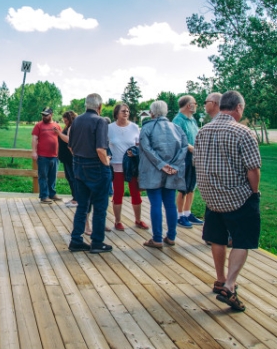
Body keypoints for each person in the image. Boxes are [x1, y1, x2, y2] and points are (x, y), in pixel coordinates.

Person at [194, 91, 261, 312]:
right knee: (242, 241)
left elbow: (197, 162)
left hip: (211, 197)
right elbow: (253, 168)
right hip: (238, 197)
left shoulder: (203, 131)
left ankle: (220, 279)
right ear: (238, 108)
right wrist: (254, 192)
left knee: (217, 239)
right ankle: (230, 286)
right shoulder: (243, 132)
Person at [138, 100, 188, 249]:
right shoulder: (177, 128)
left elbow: (146, 149)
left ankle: (157, 238)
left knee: (156, 204)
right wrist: (173, 166)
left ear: (152, 112)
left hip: (153, 171)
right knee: (170, 204)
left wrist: (162, 165)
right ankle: (171, 236)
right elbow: (184, 148)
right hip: (173, 172)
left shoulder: (147, 128)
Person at [67, 93, 113, 254]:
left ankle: (76, 240)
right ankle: (97, 242)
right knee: (100, 206)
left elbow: (70, 146)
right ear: (99, 107)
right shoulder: (100, 121)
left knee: (82, 205)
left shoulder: (77, 120)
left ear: (86, 105)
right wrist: (106, 163)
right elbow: (100, 149)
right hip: (96, 167)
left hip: (78, 166)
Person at [108, 103, 147, 231]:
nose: (126, 113)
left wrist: (134, 152)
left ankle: (138, 219)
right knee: (118, 193)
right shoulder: (110, 128)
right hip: (117, 165)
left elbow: (140, 146)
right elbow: (104, 145)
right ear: (117, 113)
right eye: (123, 111)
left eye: (128, 111)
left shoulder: (135, 127)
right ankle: (117, 221)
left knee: (135, 192)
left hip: (131, 165)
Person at [173, 95, 203, 227]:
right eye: (194, 103)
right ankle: (179, 216)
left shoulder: (192, 120)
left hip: (195, 155)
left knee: (192, 186)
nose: (196, 105)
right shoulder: (178, 120)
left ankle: (187, 212)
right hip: (184, 156)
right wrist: (191, 148)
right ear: (188, 105)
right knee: (183, 187)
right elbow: (177, 140)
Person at [32, 108, 63, 204]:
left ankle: (52, 194)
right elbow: (34, 139)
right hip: (42, 156)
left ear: (51, 114)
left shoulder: (57, 126)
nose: (44, 116)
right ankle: (44, 196)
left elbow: (61, 138)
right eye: (43, 115)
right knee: (43, 176)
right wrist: (34, 151)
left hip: (54, 156)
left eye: (46, 115)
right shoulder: (38, 125)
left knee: (53, 176)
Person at [55, 111, 78, 207]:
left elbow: (69, 140)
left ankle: (77, 199)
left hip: (70, 157)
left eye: (66, 120)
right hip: (65, 157)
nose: (64, 121)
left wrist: (59, 133)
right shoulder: (67, 127)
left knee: (73, 178)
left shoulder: (73, 128)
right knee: (69, 177)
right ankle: (74, 197)